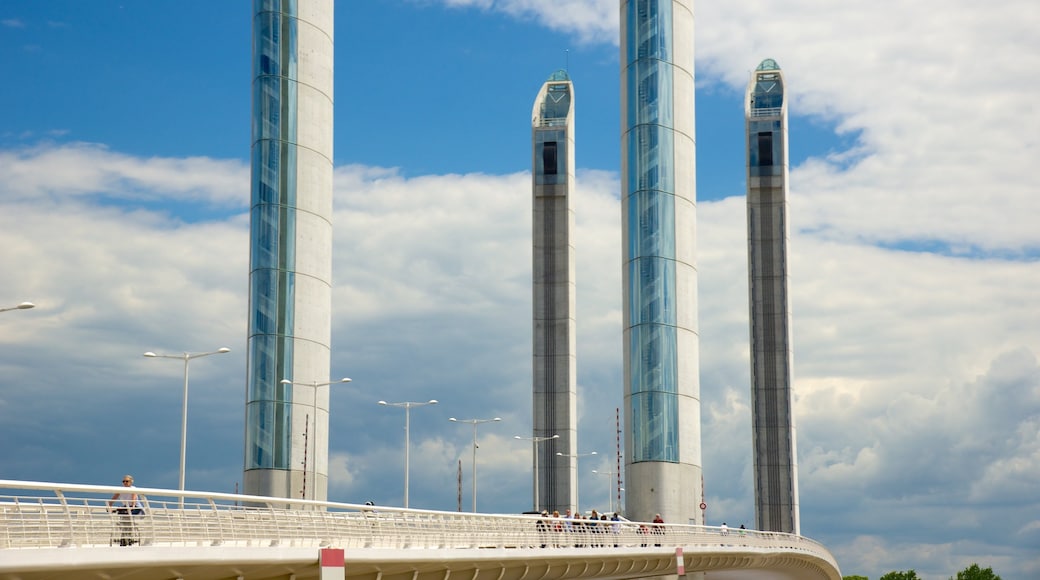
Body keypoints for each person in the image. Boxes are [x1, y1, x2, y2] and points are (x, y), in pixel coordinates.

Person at [108, 474, 143, 546]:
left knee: (128, 519)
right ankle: (124, 538)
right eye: (123, 481)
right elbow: (113, 498)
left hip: (136, 507)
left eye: (127, 481)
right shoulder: (120, 490)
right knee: (123, 520)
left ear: (131, 482)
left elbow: (134, 498)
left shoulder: (133, 488)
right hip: (126, 506)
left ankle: (129, 537)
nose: (125, 483)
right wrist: (110, 505)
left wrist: (132, 506)